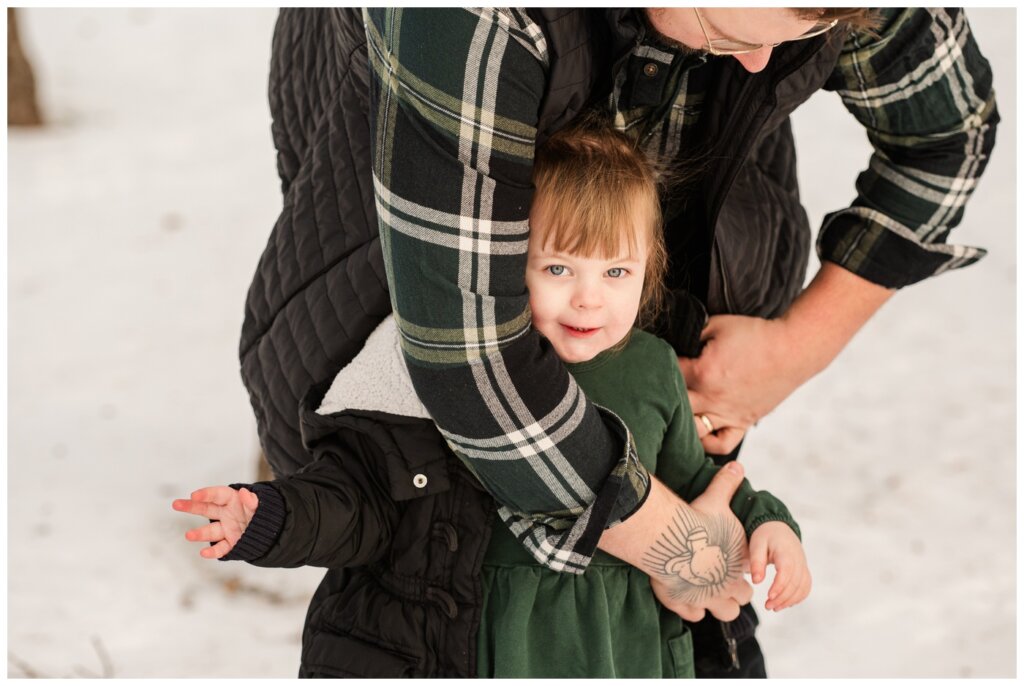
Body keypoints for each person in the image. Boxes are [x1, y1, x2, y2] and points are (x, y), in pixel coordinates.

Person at [238, 8, 998, 677]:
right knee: (413, 475)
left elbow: (947, 131)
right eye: (728, 34)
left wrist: (800, 345)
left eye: (808, 36)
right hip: (432, 345)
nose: (764, 64)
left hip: (639, 418)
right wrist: (678, 546)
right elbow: (466, 355)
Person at [175, 119, 810, 677]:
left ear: (650, 268)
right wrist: (269, 518)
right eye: (559, 268)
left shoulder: (650, 370)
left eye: (617, 272)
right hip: (489, 643)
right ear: (509, 264)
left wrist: (769, 523)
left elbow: (702, 479)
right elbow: (359, 499)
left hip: (626, 648)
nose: (590, 298)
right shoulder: (457, 369)